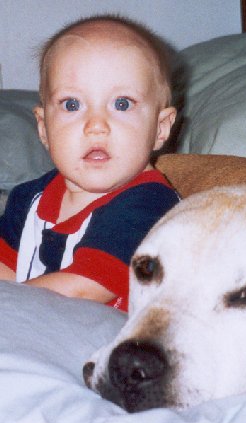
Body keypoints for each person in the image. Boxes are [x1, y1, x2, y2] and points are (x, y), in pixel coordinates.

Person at [0, 15, 180, 312]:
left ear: (160, 128)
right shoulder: (28, 199)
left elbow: (84, 288)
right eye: (72, 105)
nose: (96, 125)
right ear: (44, 128)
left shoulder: (149, 206)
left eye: (122, 104)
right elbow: (6, 269)